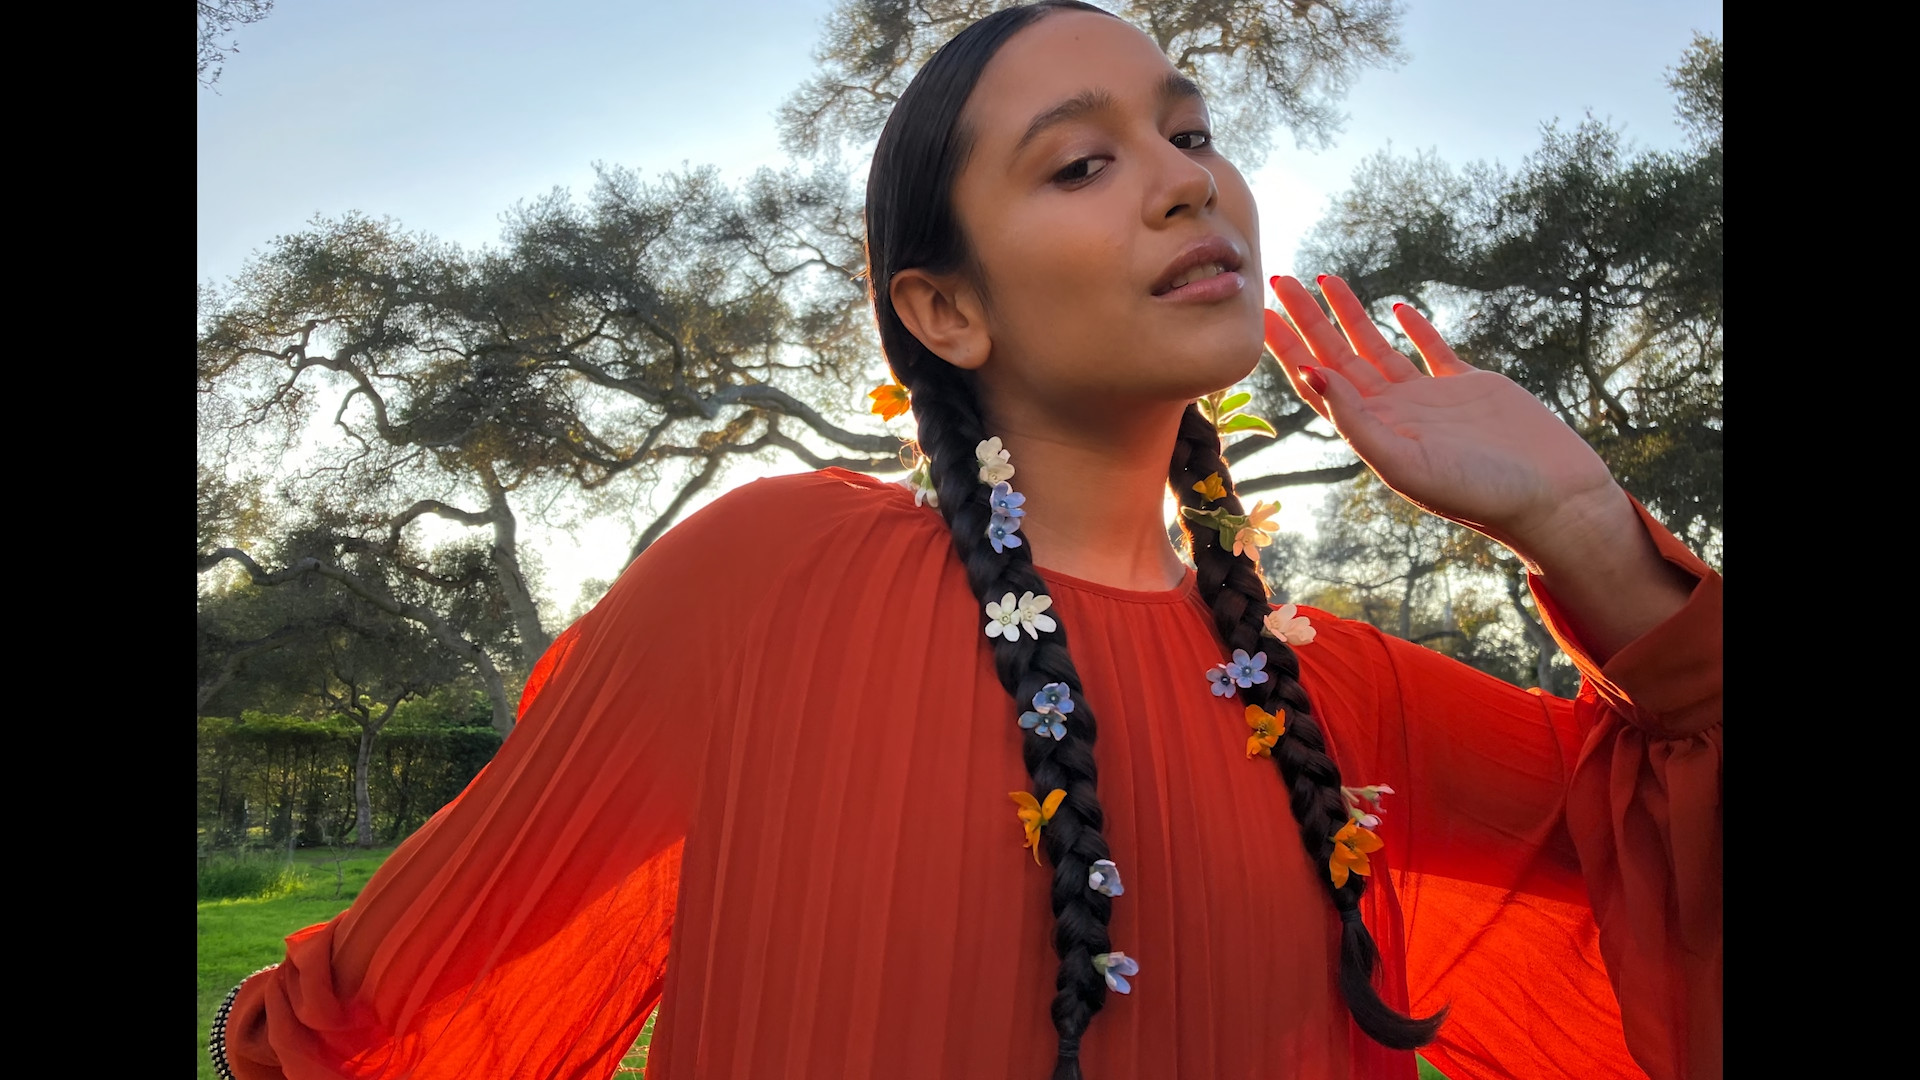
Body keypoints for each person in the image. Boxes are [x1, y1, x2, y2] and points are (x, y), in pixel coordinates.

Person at [209, 4, 1721, 1079]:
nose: (1189, 178)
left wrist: (1578, 524)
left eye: (1189, 131)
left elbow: (1679, 888)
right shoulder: (769, 583)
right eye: (1081, 163)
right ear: (944, 309)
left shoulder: (1344, 696)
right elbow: (400, 1003)